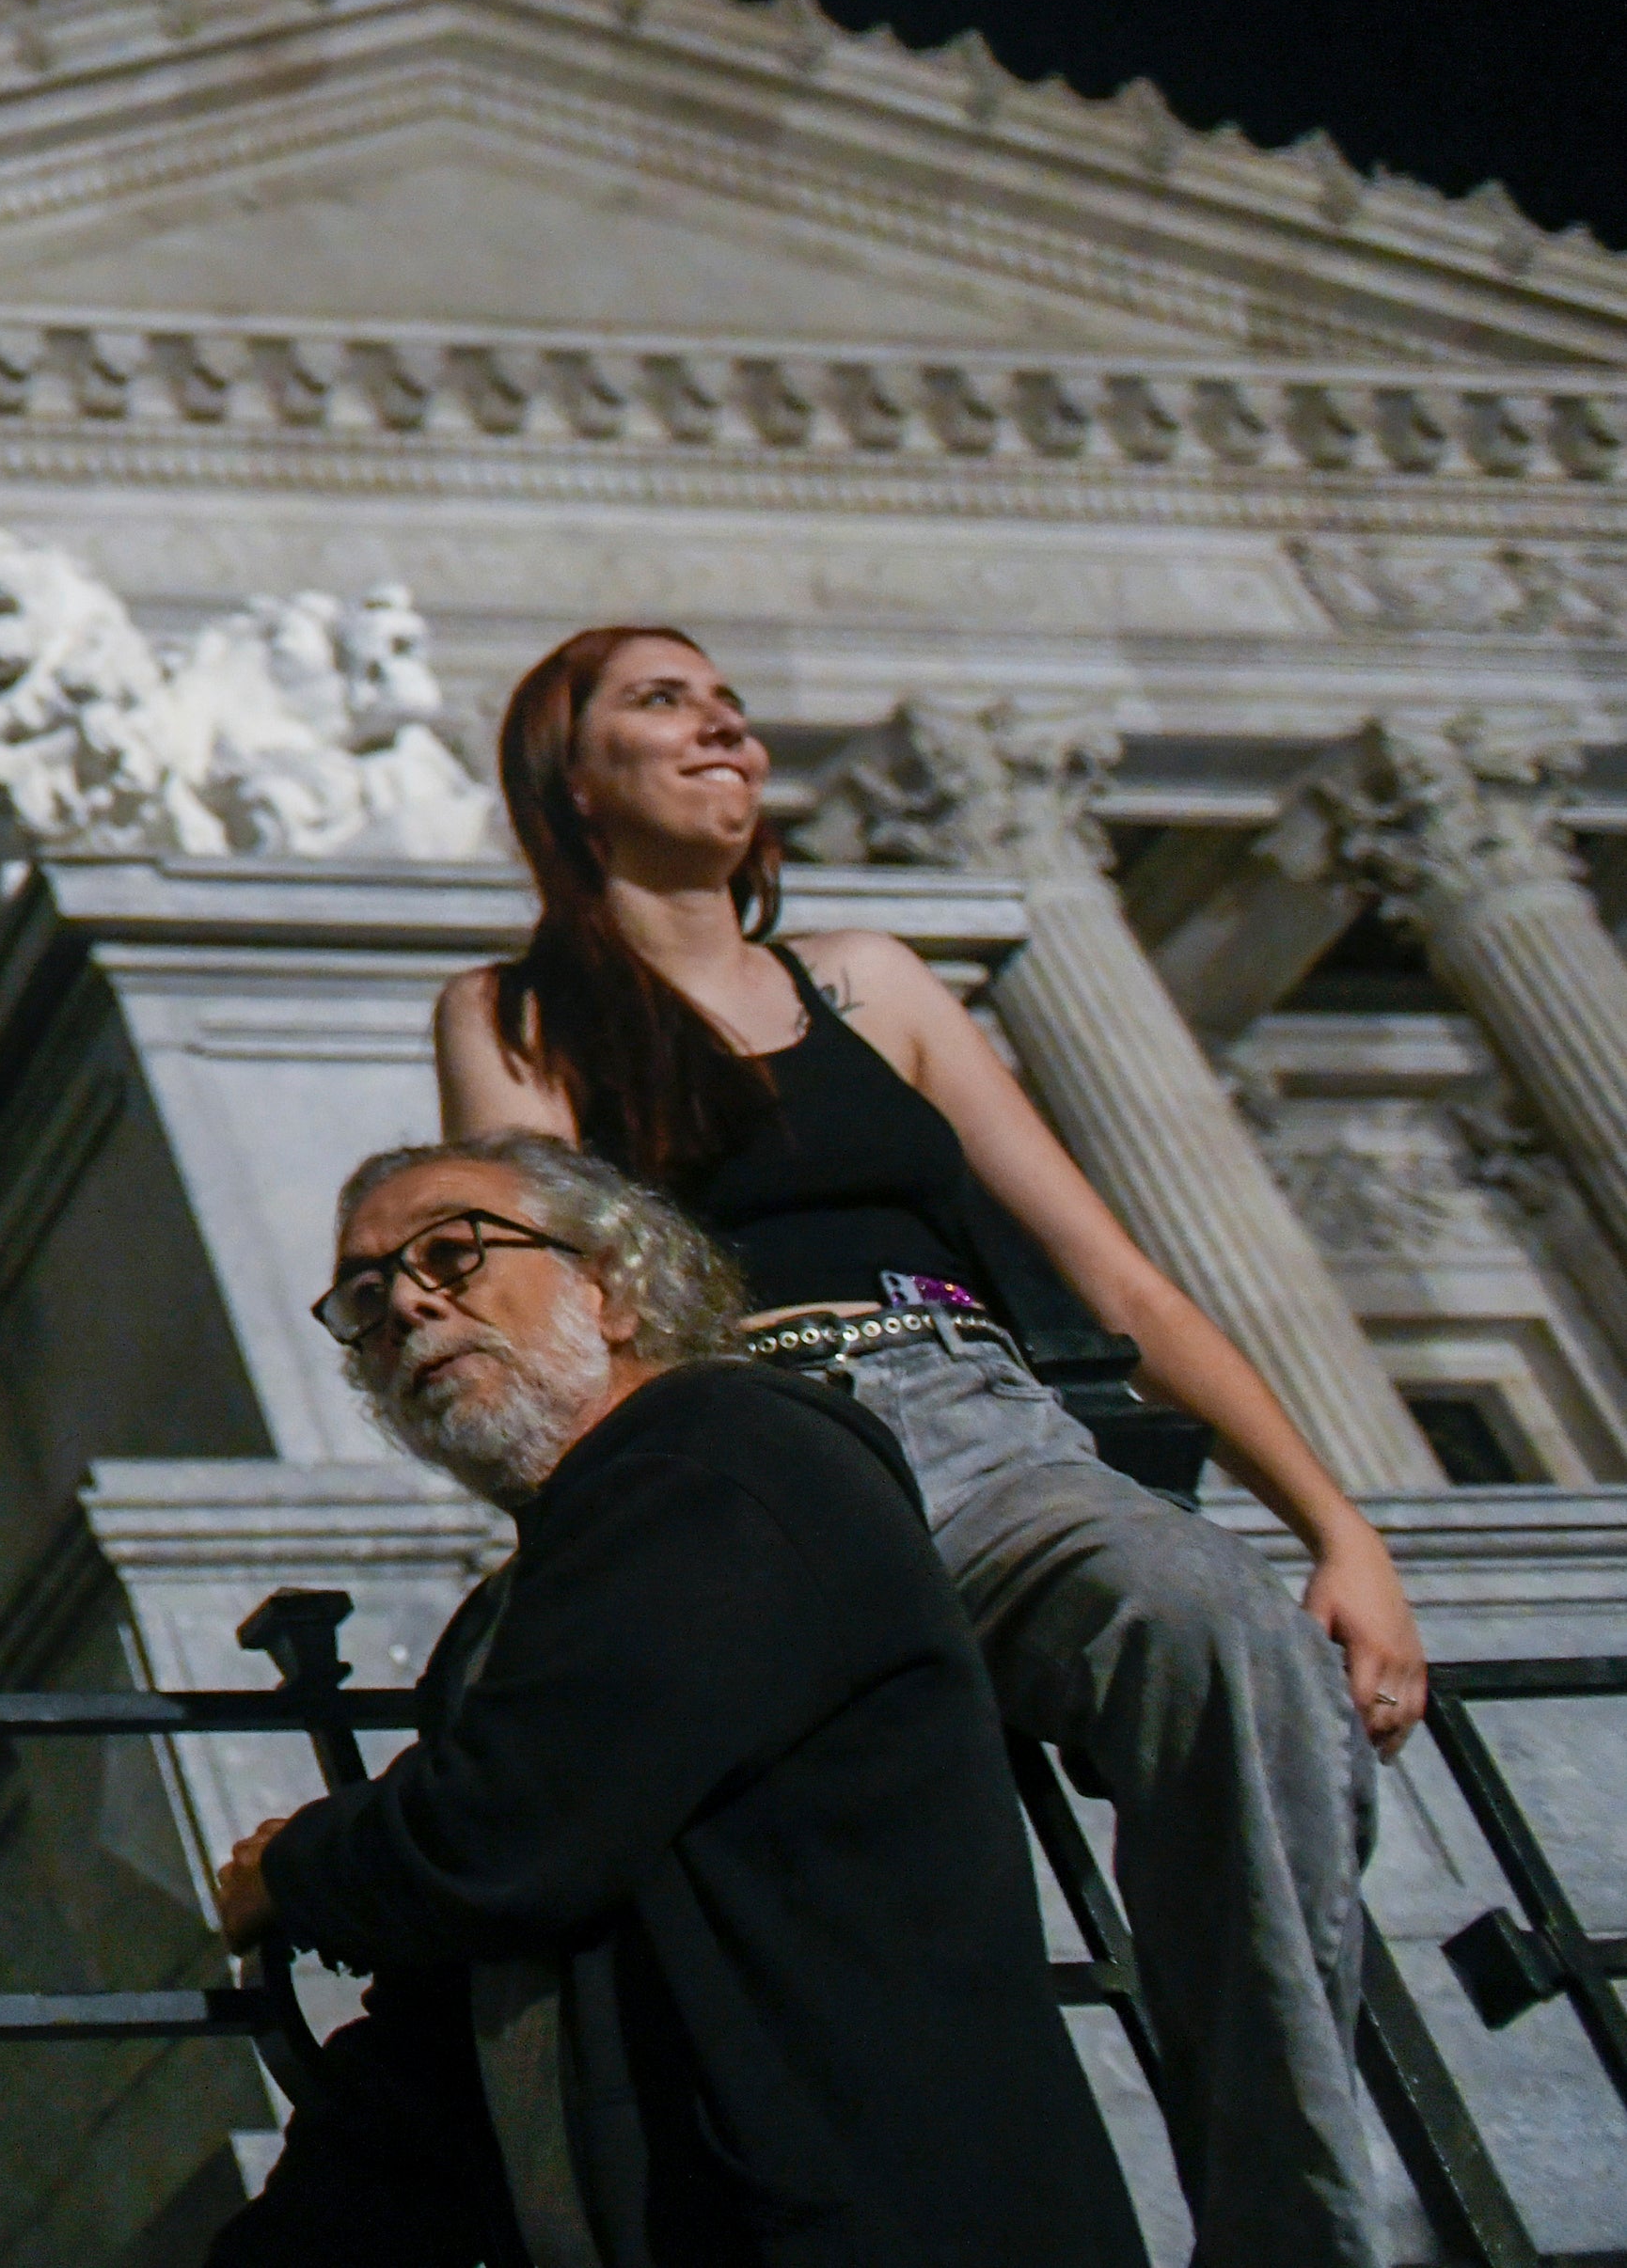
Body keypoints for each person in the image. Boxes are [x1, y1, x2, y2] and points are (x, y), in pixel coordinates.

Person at [435, 626, 1408, 2268]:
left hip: (983, 1425)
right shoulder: (515, 1015)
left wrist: (1339, 1527)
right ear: (572, 779)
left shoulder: (871, 980)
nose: (722, 719)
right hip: (749, 1463)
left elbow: (1119, 1275)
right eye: (661, 702)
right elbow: (541, 1308)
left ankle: (1299, 2232)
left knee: (1215, 1627)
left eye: (727, 696)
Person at [213, 1135, 1148, 2268]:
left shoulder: (726, 1456)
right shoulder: (526, 1606)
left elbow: (507, 1829)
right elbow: (452, 2018)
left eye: (451, 1255)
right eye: (364, 1297)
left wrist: (295, 1869)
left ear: (609, 1289)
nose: (405, 1304)